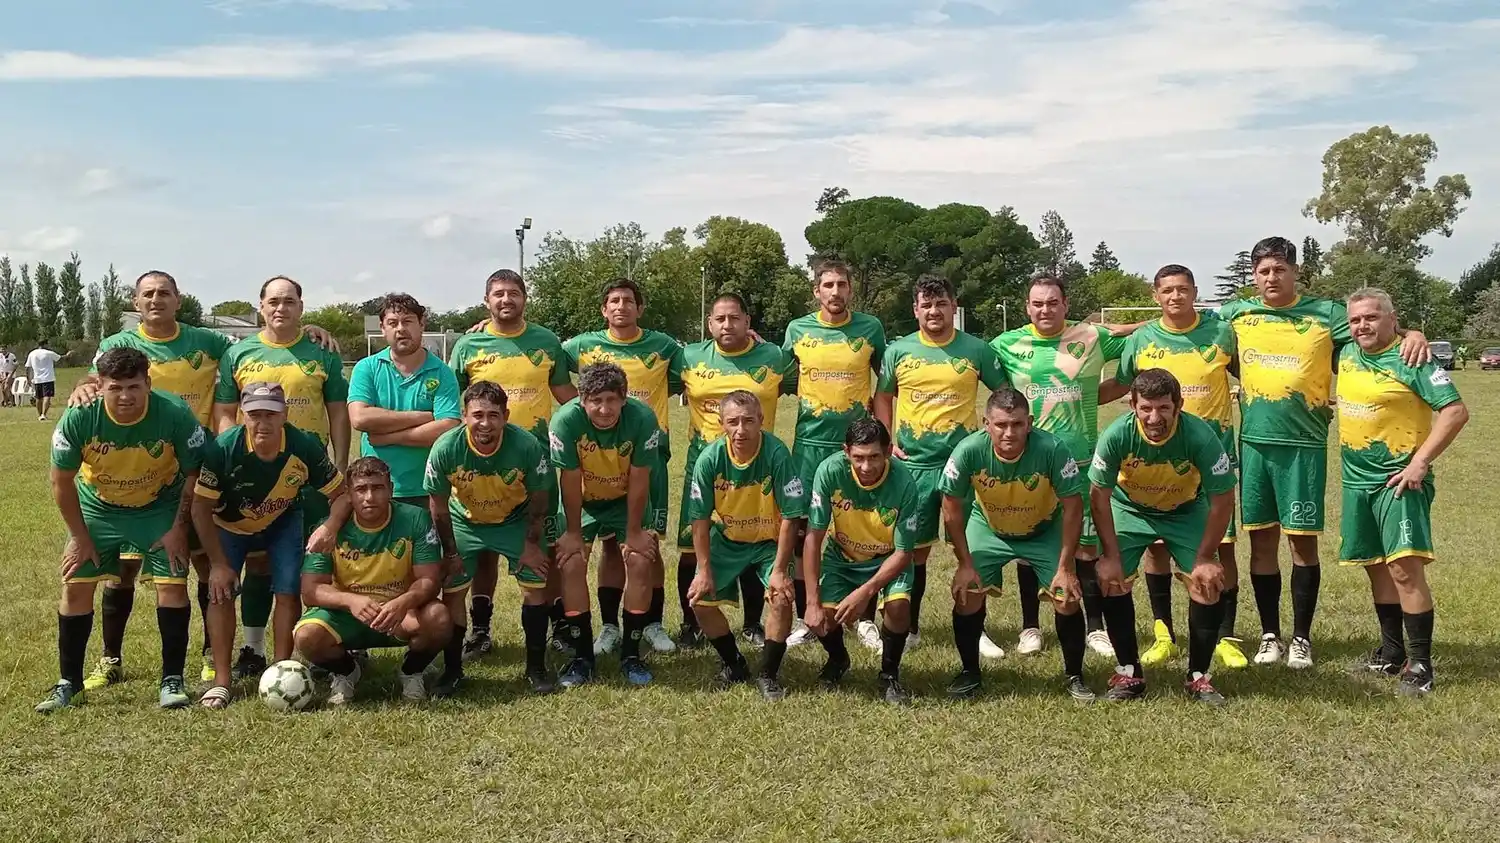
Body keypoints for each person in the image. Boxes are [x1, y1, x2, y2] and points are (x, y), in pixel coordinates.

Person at [67, 270, 340, 686]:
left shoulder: (208, 341)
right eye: (148, 294)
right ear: (136, 302)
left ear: (178, 299)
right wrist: (83, 385)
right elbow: (98, 377)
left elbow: (264, 342)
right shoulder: (118, 343)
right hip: (131, 471)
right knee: (123, 569)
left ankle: (212, 656)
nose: (156, 300)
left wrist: (307, 329)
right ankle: (110, 658)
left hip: (192, 470)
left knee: (201, 564)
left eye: (164, 293)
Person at [1218, 237, 1427, 669]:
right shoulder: (1236, 314)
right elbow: (1188, 326)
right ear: (1254, 276)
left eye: (1279, 269)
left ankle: (1301, 638)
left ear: (1295, 272)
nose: (1271, 278)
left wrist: (1414, 333)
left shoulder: (1326, 314)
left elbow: (1372, 330)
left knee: (1302, 544)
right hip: (1254, 444)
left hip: (1304, 447)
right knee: (1261, 541)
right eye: (1263, 271)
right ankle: (1270, 635)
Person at [36, 347, 207, 713]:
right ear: (100, 386)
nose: (125, 396)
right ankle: (70, 683)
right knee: (75, 585)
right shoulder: (80, 416)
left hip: (159, 506)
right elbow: (60, 481)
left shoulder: (174, 413)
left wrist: (179, 528)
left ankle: (172, 679)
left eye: (134, 386)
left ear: (148, 384)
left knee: (172, 585)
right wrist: (80, 537)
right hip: (99, 508)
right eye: (115, 388)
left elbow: (195, 472)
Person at [990, 275, 1138, 660]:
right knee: (1030, 545)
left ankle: (1095, 628)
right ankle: (1030, 627)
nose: (1045, 310)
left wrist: (1129, 327)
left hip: (1082, 462)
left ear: (1065, 305)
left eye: (1053, 302)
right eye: (1038, 303)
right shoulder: (1006, 344)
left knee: (1086, 548)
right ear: (1027, 307)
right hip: (1032, 465)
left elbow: (1138, 352)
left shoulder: (1090, 336)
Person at [214, 275, 351, 679]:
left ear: (301, 308)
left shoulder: (322, 352)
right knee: (259, 565)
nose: (281, 308)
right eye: (273, 301)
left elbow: (338, 412)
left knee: (313, 563)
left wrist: (341, 462)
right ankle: (253, 648)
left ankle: (319, 645)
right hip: (254, 476)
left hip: (310, 476)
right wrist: (235, 460)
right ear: (260, 306)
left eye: (289, 301)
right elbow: (224, 412)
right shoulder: (238, 353)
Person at [1337, 288, 1467, 696]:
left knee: (1404, 570)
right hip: (1356, 481)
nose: (1362, 325)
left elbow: (1455, 411)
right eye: (1355, 319)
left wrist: (1420, 462)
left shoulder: (1413, 357)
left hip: (1399, 481)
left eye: (1372, 317)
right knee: (1376, 565)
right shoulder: (1346, 353)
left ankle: (1421, 664)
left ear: (1393, 320)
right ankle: (1392, 653)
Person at [1114, 265, 1246, 670]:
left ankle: (1225, 637)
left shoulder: (1222, 333)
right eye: (1167, 290)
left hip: (1211, 458)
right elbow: (1121, 384)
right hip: (1157, 462)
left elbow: (1251, 374)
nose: (1175, 296)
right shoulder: (1141, 339)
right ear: (1156, 296)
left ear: (1195, 292)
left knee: (1222, 546)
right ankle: (1164, 635)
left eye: (1183, 289)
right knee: (1156, 546)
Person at [190, 382, 348, 708]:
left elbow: (341, 494)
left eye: (271, 414)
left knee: (288, 590)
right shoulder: (223, 448)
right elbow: (199, 508)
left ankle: (281, 671)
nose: (263, 423)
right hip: (229, 527)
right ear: (242, 415)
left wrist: (330, 526)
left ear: (284, 415)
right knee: (220, 592)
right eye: (255, 415)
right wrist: (217, 564)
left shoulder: (303, 445)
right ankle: (222, 681)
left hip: (282, 521)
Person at [873, 274, 1007, 649]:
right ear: (916, 310)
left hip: (964, 467)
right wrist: (886, 440)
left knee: (973, 547)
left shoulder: (976, 349)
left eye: (941, 304)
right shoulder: (898, 351)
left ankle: (976, 630)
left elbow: (1003, 394)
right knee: (913, 550)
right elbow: (882, 396)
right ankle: (910, 629)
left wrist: (989, 435)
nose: (934, 311)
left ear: (953, 307)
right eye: (927, 305)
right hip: (913, 466)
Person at [1088, 369, 1236, 705]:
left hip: (1185, 510)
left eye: (1164, 408)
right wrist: (1110, 556)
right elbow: (1099, 497)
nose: (1155, 418)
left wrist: (1205, 557)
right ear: (1133, 406)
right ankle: (1129, 672)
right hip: (1131, 509)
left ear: (1178, 405)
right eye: (1146, 408)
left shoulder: (1200, 435)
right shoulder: (1116, 435)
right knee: (1110, 577)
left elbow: (1223, 499)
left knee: (1207, 580)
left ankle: (1198, 676)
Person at [449, 269, 576, 660]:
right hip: (480, 465)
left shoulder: (546, 341)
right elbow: (455, 405)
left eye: (514, 293)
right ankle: (480, 629)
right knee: (483, 548)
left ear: (525, 298)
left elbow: (565, 393)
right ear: (486, 300)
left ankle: (558, 626)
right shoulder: (468, 345)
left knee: (547, 546)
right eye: (499, 294)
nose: (507, 300)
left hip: (536, 466)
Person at [941, 388, 1092, 701]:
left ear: (1030, 423)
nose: (1009, 432)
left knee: (1066, 597)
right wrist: (964, 564)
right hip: (989, 529)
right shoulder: (968, 450)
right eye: (1000, 425)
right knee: (967, 594)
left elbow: (1074, 507)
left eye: (1017, 424)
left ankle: (1074, 676)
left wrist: (1066, 567)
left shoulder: (1052, 448)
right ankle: (969, 672)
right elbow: (951, 507)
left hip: (1044, 530)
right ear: (986, 424)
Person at [562, 278, 682, 657]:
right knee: (610, 547)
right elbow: (545, 358)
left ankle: (652, 623)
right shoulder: (582, 345)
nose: (621, 306)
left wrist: (751, 339)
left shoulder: (663, 345)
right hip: (597, 457)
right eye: (613, 300)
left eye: (628, 300)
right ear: (604, 309)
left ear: (639, 308)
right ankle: (610, 627)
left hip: (647, 454)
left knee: (646, 543)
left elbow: (697, 363)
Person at [674, 293, 793, 649]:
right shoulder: (688, 357)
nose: (727, 325)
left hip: (758, 469)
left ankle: (753, 624)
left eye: (735, 318)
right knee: (691, 548)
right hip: (704, 466)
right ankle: (691, 623)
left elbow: (817, 381)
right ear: (709, 323)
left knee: (753, 540)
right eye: (720, 319)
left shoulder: (774, 357)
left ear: (747, 321)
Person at [781, 259, 886, 648]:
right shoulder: (797, 330)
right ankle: (806, 616)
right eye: (828, 285)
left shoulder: (870, 328)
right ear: (816, 291)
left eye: (842, 284)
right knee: (803, 532)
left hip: (856, 449)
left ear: (850, 289)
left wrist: (885, 431)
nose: (836, 291)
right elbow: (775, 370)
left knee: (863, 529)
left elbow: (888, 381)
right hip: (808, 447)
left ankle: (865, 618)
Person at [425, 382, 555, 696]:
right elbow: (438, 506)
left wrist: (530, 543)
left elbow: (540, 496)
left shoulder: (525, 445)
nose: (485, 423)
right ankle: (453, 670)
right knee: (453, 592)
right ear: (464, 416)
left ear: (506, 416)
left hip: (514, 520)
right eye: (478, 415)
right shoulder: (446, 447)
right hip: (464, 521)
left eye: (494, 415)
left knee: (535, 587)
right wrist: (450, 553)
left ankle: (535, 668)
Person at [292, 457, 451, 704]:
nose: (369, 497)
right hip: (348, 615)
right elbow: (310, 591)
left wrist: (404, 601)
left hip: (399, 614)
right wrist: (351, 601)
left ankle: (412, 671)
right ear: (349, 494)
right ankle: (346, 672)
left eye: (377, 488)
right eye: (361, 489)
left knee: (438, 618)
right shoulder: (327, 530)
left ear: (391, 489)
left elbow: (430, 580)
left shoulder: (416, 519)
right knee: (307, 636)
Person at [685, 390, 806, 701]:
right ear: (721, 423)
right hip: (728, 541)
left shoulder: (776, 453)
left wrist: (780, 570)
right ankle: (733, 663)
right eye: (733, 422)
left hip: (769, 543)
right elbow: (699, 520)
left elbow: (791, 517)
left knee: (781, 598)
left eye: (749, 421)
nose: (741, 430)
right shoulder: (709, 459)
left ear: (761, 420)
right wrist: (703, 570)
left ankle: (768, 674)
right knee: (699, 600)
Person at [550, 362, 663, 687]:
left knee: (640, 561)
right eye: (596, 401)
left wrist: (634, 532)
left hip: (625, 497)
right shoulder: (565, 421)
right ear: (581, 400)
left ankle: (631, 655)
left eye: (612, 400)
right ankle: (582, 658)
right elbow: (569, 479)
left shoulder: (642, 418)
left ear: (624, 398)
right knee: (571, 563)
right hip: (584, 500)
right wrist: (573, 533)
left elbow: (640, 477)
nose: (604, 409)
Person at [803, 418, 919, 705]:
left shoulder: (904, 482)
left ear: (888, 451)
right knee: (822, 618)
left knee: (898, 608)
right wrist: (811, 602)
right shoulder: (829, 471)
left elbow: (904, 552)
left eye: (874, 457)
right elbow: (813, 538)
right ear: (846, 452)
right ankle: (838, 659)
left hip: (888, 559)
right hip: (842, 557)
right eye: (858, 458)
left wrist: (864, 593)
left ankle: (889, 675)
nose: (866, 467)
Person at [349, 293, 461, 507]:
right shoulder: (366, 368)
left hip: (428, 488)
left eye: (408, 321)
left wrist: (388, 437)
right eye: (393, 323)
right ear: (382, 328)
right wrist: (422, 417)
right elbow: (360, 418)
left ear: (421, 324)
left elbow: (447, 429)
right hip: (376, 489)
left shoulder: (442, 372)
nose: (401, 329)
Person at [27, 338, 66, 421]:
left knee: (38, 397)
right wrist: (68, 355)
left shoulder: (32, 353)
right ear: (45, 344)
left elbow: (28, 367)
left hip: (37, 378)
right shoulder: (48, 353)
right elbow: (60, 358)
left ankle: (39, 414)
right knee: (47, 396)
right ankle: (43, 414)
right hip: (48, 378)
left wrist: (28, 378)